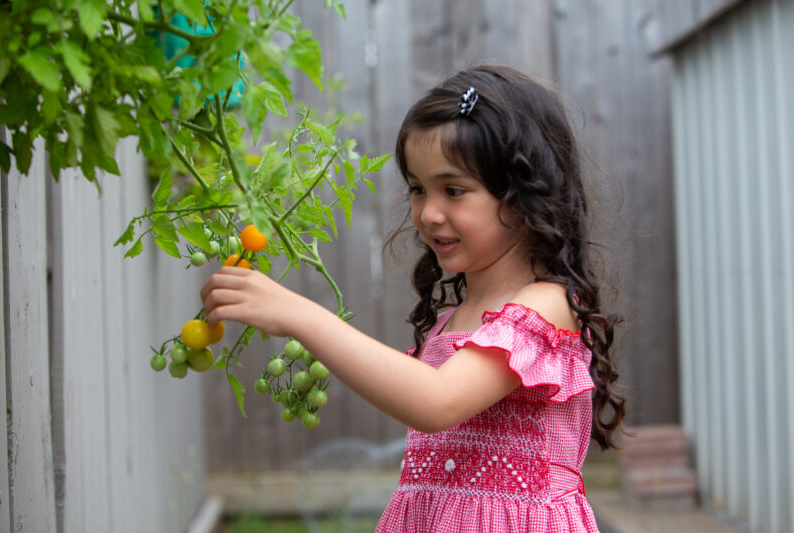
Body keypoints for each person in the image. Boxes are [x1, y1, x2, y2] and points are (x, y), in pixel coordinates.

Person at [201, 64, 626, 532]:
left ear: (524, 194)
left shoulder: (546, 307)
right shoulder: (453, 320)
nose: (428, 212)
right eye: (418, 190)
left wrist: (300, 315)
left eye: (454, 190)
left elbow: (435, 402)